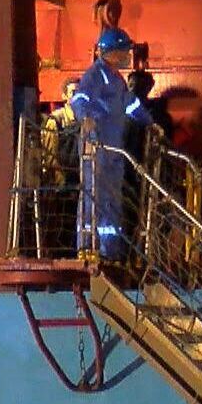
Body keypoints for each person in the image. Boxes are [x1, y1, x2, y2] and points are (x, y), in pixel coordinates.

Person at [69, 28, 152, 262]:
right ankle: (87, 247)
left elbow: (130, 105)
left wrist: (149, 123)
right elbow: (79, 99)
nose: (127, 54)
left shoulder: (116, 80)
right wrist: (85, 118)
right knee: (93, 197)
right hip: (95, 147)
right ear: (113, 51)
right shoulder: (95, 75)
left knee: (111, 199)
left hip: (113, 149)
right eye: (125, 49)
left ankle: (110, 250)